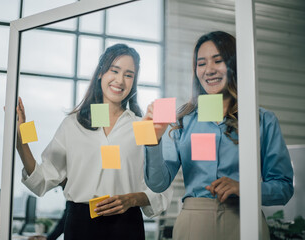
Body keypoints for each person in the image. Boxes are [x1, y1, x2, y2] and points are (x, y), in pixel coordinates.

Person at [142, 31, 294, 240]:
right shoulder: (181, 121)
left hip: (244, 221)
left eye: (218, 61)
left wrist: (245, 188)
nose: (209, 70)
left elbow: (284, 188)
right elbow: (158, 184)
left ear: (234, 65)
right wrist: (153, 140)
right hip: (194, 224)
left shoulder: (263, 120)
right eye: (201, 63)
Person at [16, 43, 172, 240]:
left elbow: (161, 190)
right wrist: (22, 143)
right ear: (100, 74)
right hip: (80, 226)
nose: (120, 80)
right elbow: (43, 179)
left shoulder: (142, 127)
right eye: (114, 70)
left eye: (128, 74)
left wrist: (132, 199)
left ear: (134, 82)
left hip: (126, 227)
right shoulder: (72, 124)